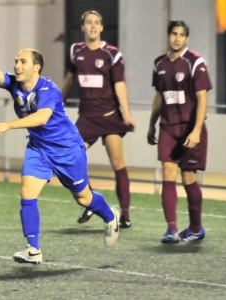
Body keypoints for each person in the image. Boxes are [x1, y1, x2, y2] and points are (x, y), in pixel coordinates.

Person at [0, 45, 120, 265]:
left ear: (37, 68)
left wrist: (8, 125)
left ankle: (111, 216)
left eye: (23, 61)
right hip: (39, 148)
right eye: (16, 61)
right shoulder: (15, 85)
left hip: (67, 150)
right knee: (27, 191)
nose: (17, 65)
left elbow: (41, 118)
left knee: (83, 198)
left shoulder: (48, 90)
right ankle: (33, 248)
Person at [62, 10, 136, 228]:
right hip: (86, 119)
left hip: (109, 117)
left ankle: (125, 214)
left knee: (117, 163)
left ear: (102, 28)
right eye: (88, 23)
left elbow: (120, 85)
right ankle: (92, 201)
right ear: (83, 27)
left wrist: (127, 114)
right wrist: (57, 104)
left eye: (96, 23)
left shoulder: (112, 54)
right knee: (70, 159)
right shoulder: (76, 51)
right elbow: (69, 80)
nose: (93, 26)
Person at [147, 20, 212, 243]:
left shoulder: (195, 61)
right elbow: (159, 95)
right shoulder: (159, 63)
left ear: (187, 38)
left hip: (189, 128)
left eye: (181, 35)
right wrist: (151, 123)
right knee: (167, 174)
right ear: (168, 36)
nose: (177, 38)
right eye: (174, 34)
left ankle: (196, 228)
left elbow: (203, 98)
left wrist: (195, 131)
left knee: (188, 178)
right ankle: (171, 229)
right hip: (167, 127)